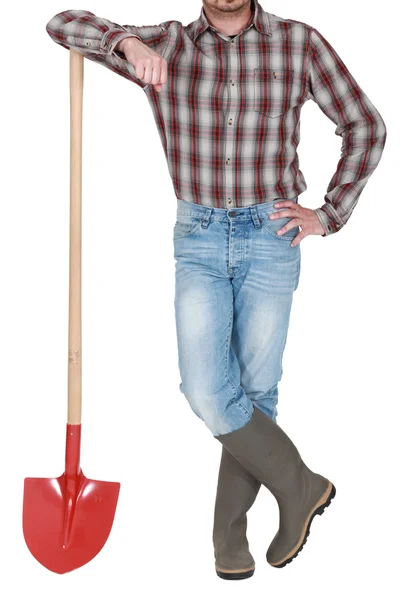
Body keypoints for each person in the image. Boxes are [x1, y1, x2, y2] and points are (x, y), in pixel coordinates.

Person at [46, 0, 387, 580]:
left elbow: (365, 125)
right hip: (199, 235)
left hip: (272, 232)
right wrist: (127, 44)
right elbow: (62, 24)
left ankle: (230, 537)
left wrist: (328, 214)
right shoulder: (168, 45)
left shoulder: (298, 42)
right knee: (207, 389)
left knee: (257, 391)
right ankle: (299, 485)